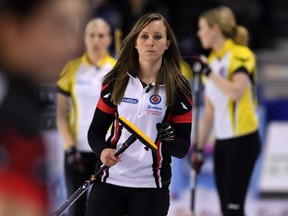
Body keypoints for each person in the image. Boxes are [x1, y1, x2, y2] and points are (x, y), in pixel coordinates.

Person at [85, 13, 192, 216]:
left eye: (158, 37)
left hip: (151, 187)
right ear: (135, 42)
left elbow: (181, 149)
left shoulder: (179, 87)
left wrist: (170, 139)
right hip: (110, 182)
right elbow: (95, 132)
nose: (150, 42)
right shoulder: (116, 80)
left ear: (167, 43)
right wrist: (102, 151)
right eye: (144, 36)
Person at [0, 0, 88, 216]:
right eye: (58, 26)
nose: (73, 45)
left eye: (77, 28)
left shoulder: (22, 107)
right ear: (10, 27)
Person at [190, 6, 261, 216]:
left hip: (243, 139)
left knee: (233, 208)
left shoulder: (241, 54)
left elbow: (237, 91)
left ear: (215, 29)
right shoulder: (210, 62)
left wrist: (209, 73)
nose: (198, 33)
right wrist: (199, 149)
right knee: (226, 209)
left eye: (202, 28)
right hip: (222, 142)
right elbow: (209, 113)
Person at [56, 17, 116, 216]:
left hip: (107, 151)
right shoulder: (71, 69)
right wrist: (69, 147)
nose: (96, 40)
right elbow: (60, 115)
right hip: (78, 152)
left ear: (108, 39)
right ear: (85, 38)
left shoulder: (118, 70)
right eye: (92, 35)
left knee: (105, 209)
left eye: (101, 35)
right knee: (77, 209)